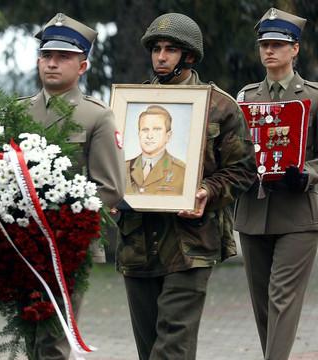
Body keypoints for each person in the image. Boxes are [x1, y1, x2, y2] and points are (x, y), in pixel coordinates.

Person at [115, 13, 256, 360]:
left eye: (171, 50)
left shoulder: (221, 105)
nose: (161, 57)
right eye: (156, 49)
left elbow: (242, 170)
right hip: (138, 241)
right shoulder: (130, 104)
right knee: (148, 349)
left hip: (190, 242)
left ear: (190, 56)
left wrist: (207, 191)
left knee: (173, 346)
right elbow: (112, 166)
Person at [234, 8, 318, 360]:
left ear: (295, 49)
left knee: (282, 298)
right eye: (265, 44)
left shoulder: (317, 95)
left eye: (278, 44)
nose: (269, 51)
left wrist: (306, 173)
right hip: (253, 213)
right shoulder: (245, 98)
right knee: (263, 305)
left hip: (297, 215)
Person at [20, 13, 125, 360]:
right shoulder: (18, 112)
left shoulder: (96, 116)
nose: (52, 63)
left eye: (64, 57)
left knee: (54, 338)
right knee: (28, 336)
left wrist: (62, 220)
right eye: (47, 56)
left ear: (81, 67)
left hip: (69, 244)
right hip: (20, 242)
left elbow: (110, 187)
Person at [125, 105, 186, 195]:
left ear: (168, 136)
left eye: (157, 129)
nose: (149, 136)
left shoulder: (182, 172)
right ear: (139, 134)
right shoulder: (122, 168)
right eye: (145, 130)